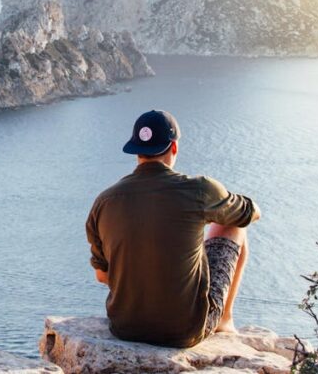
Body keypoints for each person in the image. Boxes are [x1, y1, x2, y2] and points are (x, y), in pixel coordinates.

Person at [85, 110, 261, 348]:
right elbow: (250, 213)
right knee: (234, 226)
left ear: (136, 151)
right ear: (174, 148)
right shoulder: (199, 190)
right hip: (184, 331)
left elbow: (102, 275)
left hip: (125, 327)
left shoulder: (104, 201)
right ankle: (224, 320)